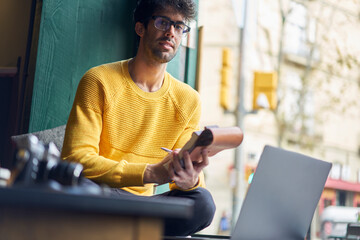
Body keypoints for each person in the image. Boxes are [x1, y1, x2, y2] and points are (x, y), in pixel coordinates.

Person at [61, 0, 215, 236]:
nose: (170, 32)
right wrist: (150, 173)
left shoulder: (188, 100)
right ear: (140, 27)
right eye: (163, 22)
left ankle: (124, 229)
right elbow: (77, 158)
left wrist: (190, 179)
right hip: (101, 194)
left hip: (145, 206)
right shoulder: (99, 80)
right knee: (76, 188)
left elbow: (182, 174)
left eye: (179, 26)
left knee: (202, 202)